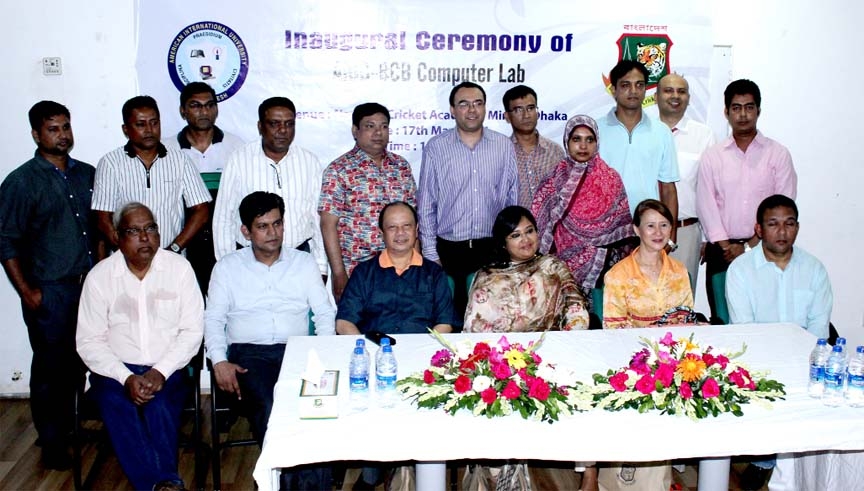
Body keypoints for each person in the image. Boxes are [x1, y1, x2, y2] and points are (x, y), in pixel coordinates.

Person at [77, 203, 203, 491]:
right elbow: (88, 341)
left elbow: (192, 331)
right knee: (118, 403)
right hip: (115, 372)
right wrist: (126, 377)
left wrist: (160, 372)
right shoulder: (100, 277)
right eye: (134, 231)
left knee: (159, 405)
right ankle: (163, 483)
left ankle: (159, 483)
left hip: (168, 367)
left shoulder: (179, 269)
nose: (145, 237)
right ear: (118, 238)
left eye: (150, 229)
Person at [0, 101, 98, 469]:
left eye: (66, 126)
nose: (63, 135)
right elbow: (6, 240)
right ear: (36, 135)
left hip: (86, 287)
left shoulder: (86, 174)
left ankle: (69, 427)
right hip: (49, 290)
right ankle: (52, 440)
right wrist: (28, 291)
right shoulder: (21, 182)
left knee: (78, 364)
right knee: (50, 369)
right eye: (54, 129)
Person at [205, 191, 335, 447]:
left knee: (316, 404)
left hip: (297, 351)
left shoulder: (303, 262)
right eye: (262, 227)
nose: (272, 233)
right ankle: (277, 479)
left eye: (277, 224)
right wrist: (219, 361)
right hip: (249, 354)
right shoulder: (227, 268)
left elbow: (324, 312)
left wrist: (322, 352)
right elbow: (213, 319)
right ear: (246, 231)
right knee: (271, 404)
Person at [724, 194, 832, 490]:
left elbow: (819, 329)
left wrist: (802, 361)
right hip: (759, 361)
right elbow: (745, 331)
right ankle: (765, 457)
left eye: (789, 224)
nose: (782, 232)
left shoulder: (814, 269)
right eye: (773, 224)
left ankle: (791, 462)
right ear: (759, 229)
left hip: (804, 361)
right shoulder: (741, 270)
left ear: (797, 227)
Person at [417, 82, 518, 323]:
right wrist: (431, 254)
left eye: (478, 103)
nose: (471, 110)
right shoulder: (436, 148)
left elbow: (510, 199)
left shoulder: (503, 146)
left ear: (485, 108)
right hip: (449, 251)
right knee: (449, 321)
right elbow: (426, 205)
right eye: (464, 104)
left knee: (491, 321)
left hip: (491, 249)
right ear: (452, 110)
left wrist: (509, 249)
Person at [697, 79, 797, 323]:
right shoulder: (713, 156)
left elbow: (784, 203)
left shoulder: (778, 154)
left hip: (765, 248)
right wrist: (724, 246)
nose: (743, 114)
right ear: (726, 112)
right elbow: (705, 203)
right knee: (722, 317)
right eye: (736, 107)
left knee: (763, 315)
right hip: (722, 251)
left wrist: (750, 245)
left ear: (758, 111)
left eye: (749, 107)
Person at [213, 97, 328, 281]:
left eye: (289, 124)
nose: (283, 130)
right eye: (274, 124)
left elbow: (318, 219)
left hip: (298, 261)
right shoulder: (239, 160)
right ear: (260, 126)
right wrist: (227, 267)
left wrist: (321, 267)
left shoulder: (309, 162)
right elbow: (224, 218)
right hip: (249, 263)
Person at [532, 115, 634, 307]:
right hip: (562, 270)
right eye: (576, 139)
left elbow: (623, 229)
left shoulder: (611, 179)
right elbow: (541, 225)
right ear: (567, 142)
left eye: (589, 140)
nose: (583, 146)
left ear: (597, 143)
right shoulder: (553, 180)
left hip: (604, 268)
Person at [319, 102, 416, 301]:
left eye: (383, 126)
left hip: (400, 268)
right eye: (370, 126)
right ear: (355, 131)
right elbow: (328, 225)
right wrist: (338, 274)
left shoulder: (401, 166)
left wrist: (417, 265)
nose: (378, 133)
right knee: (359, 329)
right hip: (357, 271)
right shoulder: (339, 170)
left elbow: (414, 220)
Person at [91, 95, 212, 253]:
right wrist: (127, 252)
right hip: (127, 262)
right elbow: (103, 218)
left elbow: (201, 210)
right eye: (140, 124)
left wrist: (174, 248)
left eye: (154, 123)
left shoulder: (179, 159)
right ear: (126, 129)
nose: (149, 130)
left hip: (170, 260)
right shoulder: (110, 163)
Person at [164, 82, 244, 294]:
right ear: (183, 111)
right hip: (184, 241)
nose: (204, 111)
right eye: (195, 106)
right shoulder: (168, 150)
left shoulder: (236, 147)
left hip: (226, 241)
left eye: (209, 105)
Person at [464, 206, 589, 333]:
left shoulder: (552, 266)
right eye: (516, 235)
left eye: (529, 231)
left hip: (553, 344)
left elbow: (577, 310)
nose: (525, 240)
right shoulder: (488, 277)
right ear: (503, 244)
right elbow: (474, 326)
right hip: (504, 348)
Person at [336, 201, 454, 335]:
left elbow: (445, 323)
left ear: (416, 230)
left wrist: (424, 349)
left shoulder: (434, 273)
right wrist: (365, 349)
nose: (400, 233)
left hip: (420, 351)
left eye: (407, 226)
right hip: (374, 350)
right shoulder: (363, 273)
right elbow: (344, 323)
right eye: (392, 227)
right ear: (382, 233)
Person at [598, 60, 679, 229]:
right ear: (614, 90)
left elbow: (668, 189)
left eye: (639, 85)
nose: (633, 91)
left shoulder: (661, 132)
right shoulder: (595, 130)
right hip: (604, 228)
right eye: (626, 85)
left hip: (648, 228)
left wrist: (670, 234)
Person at [656, 74, 716, 295]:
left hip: (687, 232)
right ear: (656, 96)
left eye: (681, 91)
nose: (675, 96)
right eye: (668, 90)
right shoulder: (645, 132)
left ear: (689, 98)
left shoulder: (704, 135)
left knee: (681, 303)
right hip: (643, 233)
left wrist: (710, 237)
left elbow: (712, 191)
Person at [603, 199, 694, 329]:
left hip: (674, 346)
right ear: (637, 230)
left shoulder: (679, 270)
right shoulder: (618, 275)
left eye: (664, 225)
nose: (658, 232)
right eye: (650, 226)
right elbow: (614, 328)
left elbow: (687, 320)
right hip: (633, 346)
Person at [502, 85, 565, 207]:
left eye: (530, 108)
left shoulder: (555, 151)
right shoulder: (502, 153)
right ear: (507, 117)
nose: (526, 115)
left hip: (550, 225)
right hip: (516, 225)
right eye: (518, 110)